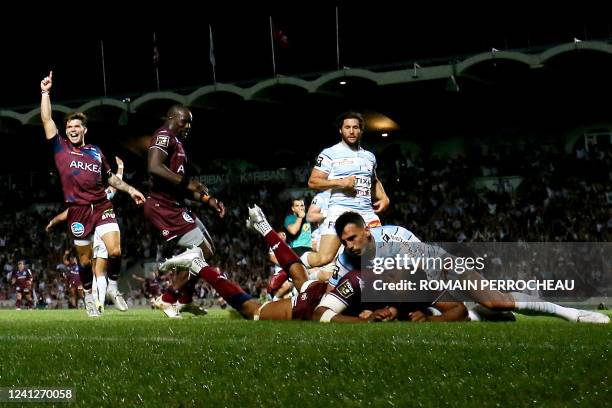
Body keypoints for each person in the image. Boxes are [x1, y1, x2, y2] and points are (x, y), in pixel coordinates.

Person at [158, 205, 467, 322]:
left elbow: (458, 310)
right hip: (317, 304)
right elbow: (323, 315)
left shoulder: (407, 280)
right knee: (252, 310)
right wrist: (362, 321)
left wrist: (408, 314)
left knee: (302, 278)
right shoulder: (362, 279)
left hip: (322, 290)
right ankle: (200, 266)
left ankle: (264, 229)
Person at [324, 211, 610, 324]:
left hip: (442, 268)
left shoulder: (395, 236)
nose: (349, 245)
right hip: (418, 291)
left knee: (495, 301)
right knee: (410, 318)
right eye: (344, 241)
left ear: (367, 232)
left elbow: (424, 269)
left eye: (352, 237)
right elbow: (333, 295)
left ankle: (572, 313)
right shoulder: (345, 260)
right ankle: (479, 314)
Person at [40, 71, 146, 317]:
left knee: (115, 251)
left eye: (77, 126)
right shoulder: (60, 147)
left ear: (84, 129)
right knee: (85, 262)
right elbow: (46, 119)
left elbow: (109, 178)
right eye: (69, 127)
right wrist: (45, 92)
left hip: (101, 206)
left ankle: (112, 286)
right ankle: (88, 295)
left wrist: (131, 190)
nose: (72, 129)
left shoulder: (95, 152)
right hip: (78, 210)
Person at [143, 104, 225, 318]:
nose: (188, 126)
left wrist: (208, 200)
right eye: (184, 121)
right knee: (203, 251)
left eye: (190, 122)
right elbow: (154, 166)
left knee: (207, 250)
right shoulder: (164, 135)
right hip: (162, 206)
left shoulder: (178, 144)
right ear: (171, 117)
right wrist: (188, 183)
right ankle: (168, 298)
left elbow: (182, 186)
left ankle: (185, 300)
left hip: (176, 204)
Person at [301, 111, 390, 270]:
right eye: (347, 127)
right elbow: (313, 181)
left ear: (361, 131)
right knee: (324, 258)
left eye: (355, 127)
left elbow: (373, 180)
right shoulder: (330, 153)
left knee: (380, 256)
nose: (351, 131)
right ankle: (293, 262)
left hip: (366, 213)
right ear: (340, 130)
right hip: (340, 211)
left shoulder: (369, 156)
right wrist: (340, 182)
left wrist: (383, 197)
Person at [46, 156, 128, 313]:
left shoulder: (102, 195)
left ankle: (101, 302)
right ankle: (97, 302)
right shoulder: (88, 197)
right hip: (89, 232)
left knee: (99, 269)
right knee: (94, 269)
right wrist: (53, 222)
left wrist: (121, 168)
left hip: (101, 232)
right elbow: (69, 212)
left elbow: (115, 184)